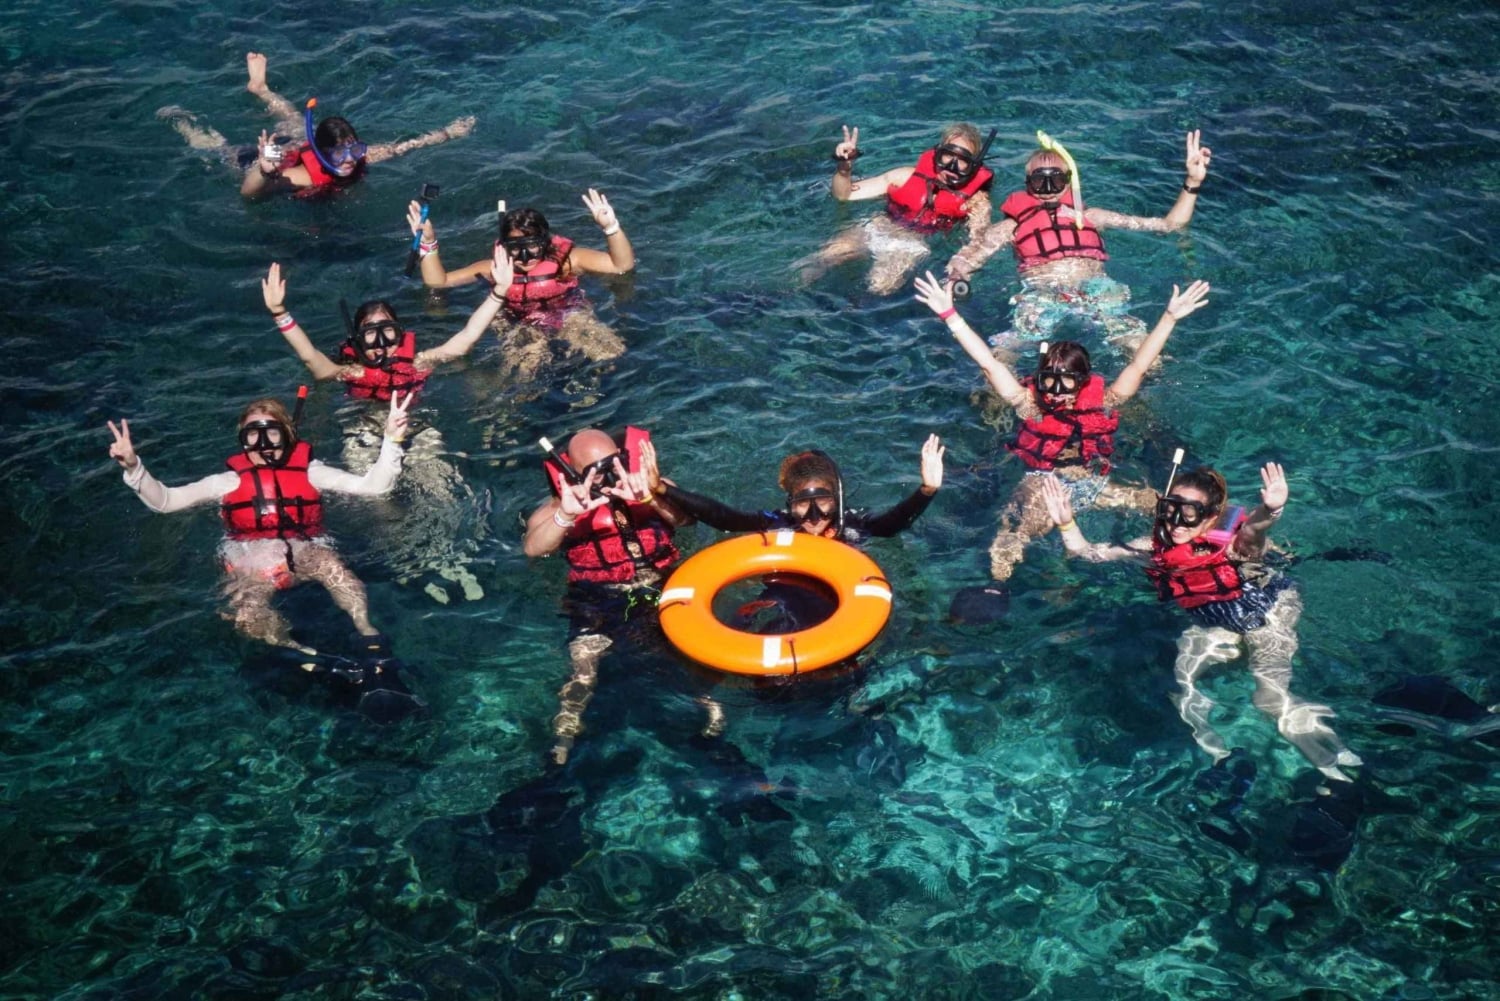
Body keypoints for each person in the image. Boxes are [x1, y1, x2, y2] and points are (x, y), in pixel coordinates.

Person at [1040, 462, 1364, 783]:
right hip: (1215, 621)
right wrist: (1067, 523)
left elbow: (1254, 528)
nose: (1177, 522)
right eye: (1171, 509)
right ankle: (1218, 752)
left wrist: (1272, 509)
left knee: (1267, 698)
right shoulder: (1152, 547)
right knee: (1182, 687)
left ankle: (1331, 754)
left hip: (1267, 612)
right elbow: (1088, 552)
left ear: (1210, 518)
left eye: (1190, 514)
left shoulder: (1235, 547)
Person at [914, 270, 1210, 586]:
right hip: (1042, 487)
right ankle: (995, 591)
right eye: (1048, 382)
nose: (1055, 392)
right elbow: (990, 363)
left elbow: (1139, 364)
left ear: (1082, 382)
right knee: (1008, 547)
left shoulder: (1108, 400)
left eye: (1066, 383)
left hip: (1095, 484)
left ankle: (1203, 561)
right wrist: (949, 314)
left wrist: (1169, 317)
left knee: (1171, 511)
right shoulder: (1027, 403)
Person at [107, 392, 411, 656]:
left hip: (308, 552)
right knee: (247, 616)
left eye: (272, 433)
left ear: (287, 435)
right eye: (253, 434)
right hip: (251, 564)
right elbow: (167, 501)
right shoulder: (227, 482)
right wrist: (135, 469)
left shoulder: (310, 472)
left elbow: (374, 487)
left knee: (344, 579)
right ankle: (299, 651)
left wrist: (392, 439)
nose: (264, 443)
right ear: (242, 440)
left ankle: (367, 632)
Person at [944, 130, 1211, 349]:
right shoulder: (1011, 227)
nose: (1048, 190)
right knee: (1004, 351)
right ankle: (995, 409)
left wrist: (1192, 182)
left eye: (1056, 180)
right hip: (1042, 295)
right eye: (1040, 182)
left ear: (1069, 182)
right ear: (1028, 184)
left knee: (1139, 345)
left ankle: (1148, 400)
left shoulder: (1092, 216)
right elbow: (967, 259)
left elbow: (1169, 225)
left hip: (1097, 289)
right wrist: (957, 278)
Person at [522, 427, 694, 765]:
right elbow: (532, 548)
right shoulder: (556, 509)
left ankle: (707, 714)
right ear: (574, 473)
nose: (610, 476)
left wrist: (653, 496)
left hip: (660, 585)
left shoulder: (653, 487)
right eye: (597, 471)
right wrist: (567, 515)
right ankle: (562, 745)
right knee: (583, 671)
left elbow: (686, 520)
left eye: (615, 463)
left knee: (685, 655)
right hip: (596, 599)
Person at [159, 52, 475, 198]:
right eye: (340, 156)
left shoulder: (358, 157)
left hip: (302, 142)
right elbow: (249, 195)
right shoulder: (302, 175)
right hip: (260, 162)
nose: (350, 160)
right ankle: (181, 121)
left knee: (297, 122)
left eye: (355, 150)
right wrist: (263, 170)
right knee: (217, 148)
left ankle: (261, 88)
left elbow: (408, 145)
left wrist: (448, 133)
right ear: (324, 155)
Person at [407, 192, 633, 374]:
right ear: (505, 246)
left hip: (568, 314)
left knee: (611, 356)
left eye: (532, 245)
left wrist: (610, 228)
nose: (525, 256)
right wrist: (429, 243)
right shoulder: (494, 269)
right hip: (519, 325)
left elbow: (621, 266)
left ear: (545, 242)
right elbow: (439, 282)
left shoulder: (568, 261)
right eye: (516, 247)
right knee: (523, 376)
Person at [261, 245, 511, 402]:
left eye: (388, 332)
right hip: (364, 423)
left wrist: (499, 292)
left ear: (401, 334)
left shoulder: (420, 363)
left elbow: (468, 336)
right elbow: (309, 355)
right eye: (371, 335)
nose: (381, 344)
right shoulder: (349, 372)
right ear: (357, 340)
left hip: (413, 421)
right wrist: (279, 312)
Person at [798, 124, 994, 294]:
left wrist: (960, 269)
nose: (951, 166)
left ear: (974, 166)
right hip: (876, 227)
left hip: (910, 245)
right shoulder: (903, 177)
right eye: (947, 156)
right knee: (821, 259)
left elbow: (978, 241)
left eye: (962, 161)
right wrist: (844, 168)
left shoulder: (976, 202)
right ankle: (786, 295)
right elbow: (844, 195)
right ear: (937, 154)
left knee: (879, 286)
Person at [652, 434, 945, 544]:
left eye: (824, 502)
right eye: (803, 504)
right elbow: (725, 519)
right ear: (790, 502)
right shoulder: (780, 523)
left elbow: (889, 526)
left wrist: (926, 491)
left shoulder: (852, 525)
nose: (815, 515)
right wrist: (662, 490)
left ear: (838, 499)